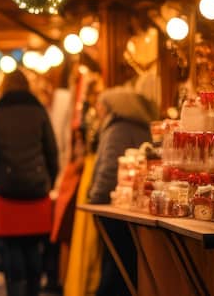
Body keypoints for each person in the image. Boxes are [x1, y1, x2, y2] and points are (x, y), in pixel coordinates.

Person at [0, 70, 59, 296]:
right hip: (36, 189)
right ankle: (33, 290)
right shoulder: (39, 111)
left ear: (3, 88)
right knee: (33, 245)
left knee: (11, 246)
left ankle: (15, 291)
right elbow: (51, 153)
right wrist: (49, 182)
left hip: (7, 190)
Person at [86, 87, 155, 296]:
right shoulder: (142, 127)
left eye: (100, 105)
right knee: (126, 265)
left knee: (114, 267)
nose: (97, 110)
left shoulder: (117, 130)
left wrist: (94, 199)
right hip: (132, 209)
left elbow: (108, 169)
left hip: (113, 208)